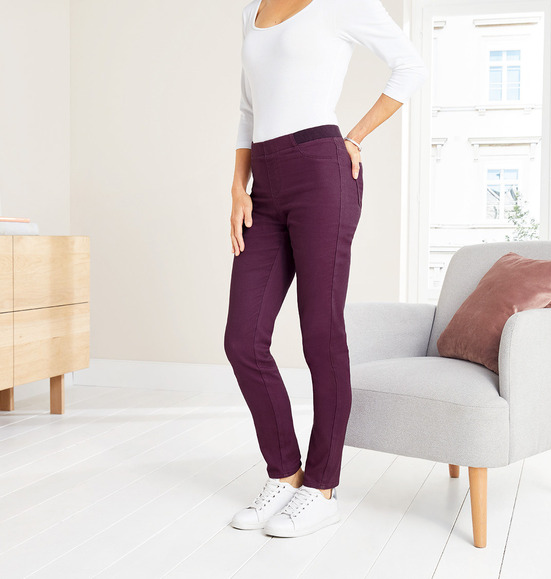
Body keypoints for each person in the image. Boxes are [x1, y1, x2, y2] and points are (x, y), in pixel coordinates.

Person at [224, 0, 426, 538]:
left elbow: (409, 65)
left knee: (320, 334)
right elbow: (248, 108)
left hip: (320, 170)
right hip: (264, 184)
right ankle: (284, 473)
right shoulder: (251, 11)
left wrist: (354, 136)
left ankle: (321, 489)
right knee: (242, 339)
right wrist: (238, 188)